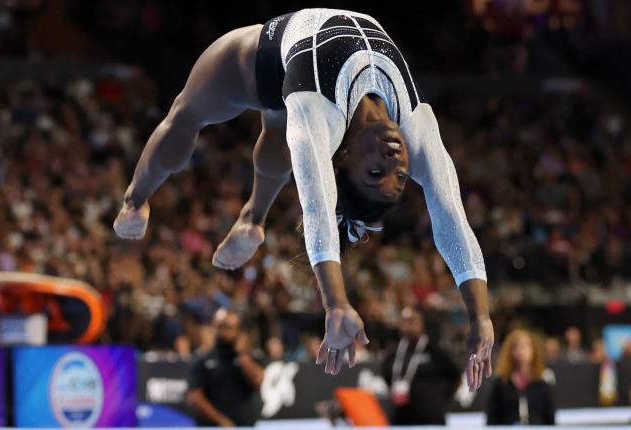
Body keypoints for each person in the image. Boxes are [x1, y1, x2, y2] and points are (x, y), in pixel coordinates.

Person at [112, 8, 493, 388]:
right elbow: (451, 215)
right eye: (399, 175)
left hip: (261, 63)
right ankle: (249, 217)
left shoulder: (319, 113)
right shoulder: (416, 126)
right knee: (275, 126)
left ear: (340, 159)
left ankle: (136, 200)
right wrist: (480, 317)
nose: (393, 161)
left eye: (374, 173)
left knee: (187, 114)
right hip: (290, 67)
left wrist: (336, 303)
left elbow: (317, 207)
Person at [382, 307, 461, 425]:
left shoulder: (436, 351)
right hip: (401, 419)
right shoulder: (393, 353)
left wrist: (439, 399)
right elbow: (386, 377)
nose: (408, 326)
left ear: (422, 324)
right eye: (404, 322)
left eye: (412, 321)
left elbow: (456, 378)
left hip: (431, 419)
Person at [186, 309, 265, 427]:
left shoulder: (252, 357)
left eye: (228, 327)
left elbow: (258, 381)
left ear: (239, 330)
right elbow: (195, 397)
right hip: (211, 427)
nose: (222, 331)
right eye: (219, 326)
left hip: (244, 426)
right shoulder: (202, 359)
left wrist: (242, 355)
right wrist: (221, 421)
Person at [485, 329, 555, 426]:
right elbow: (491, 418)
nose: (520, 351)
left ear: (533, 350)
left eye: (525, 346)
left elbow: (550, 419)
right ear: (509, 352)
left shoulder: (542, 384)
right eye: (516, 347)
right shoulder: (501, 384)